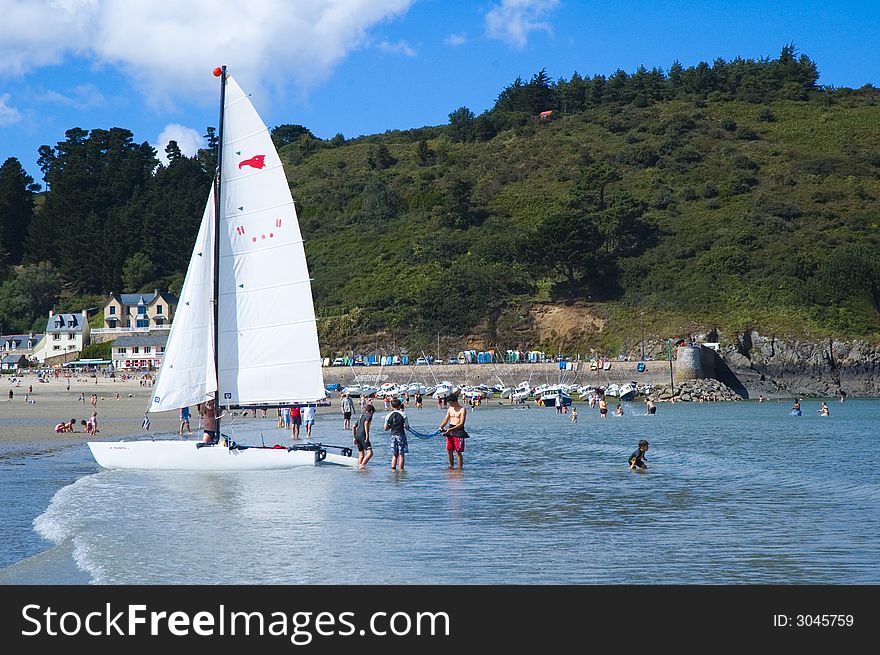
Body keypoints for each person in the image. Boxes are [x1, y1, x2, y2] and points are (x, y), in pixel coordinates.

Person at [439, 392, 468, 469]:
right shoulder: (450, 409)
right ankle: (451, 467)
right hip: (450, 429)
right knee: (449, 450)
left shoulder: (462, 409)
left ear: (455, 401)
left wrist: (450, 429)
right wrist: (441, 426)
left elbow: (462, 423)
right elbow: (446, 419)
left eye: (451, 403)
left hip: (458, 431)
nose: (450, 405)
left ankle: (460, 469)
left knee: (458, 451)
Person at [384, 398, 410, 470]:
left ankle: (393, 470)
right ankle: (401, 470)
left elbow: (385, 428)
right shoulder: (403, 414)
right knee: (401, 454)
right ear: (400, 406)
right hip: (401, 435)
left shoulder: (388, 415)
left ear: (392, 406)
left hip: (393, 435)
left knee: (395, 454)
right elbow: (407, 427)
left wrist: (391, 426)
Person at [352, 404, 375, 469]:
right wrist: (367, 436)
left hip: (357, 435)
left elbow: (353, 426)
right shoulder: (369, 415)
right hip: (363, 435)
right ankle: (362, 466)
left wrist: (354, 437)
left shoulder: (361, 416)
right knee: (370, 453)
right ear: (371, 411)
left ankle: (359, 468)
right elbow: (366, 423)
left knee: (361, 454)